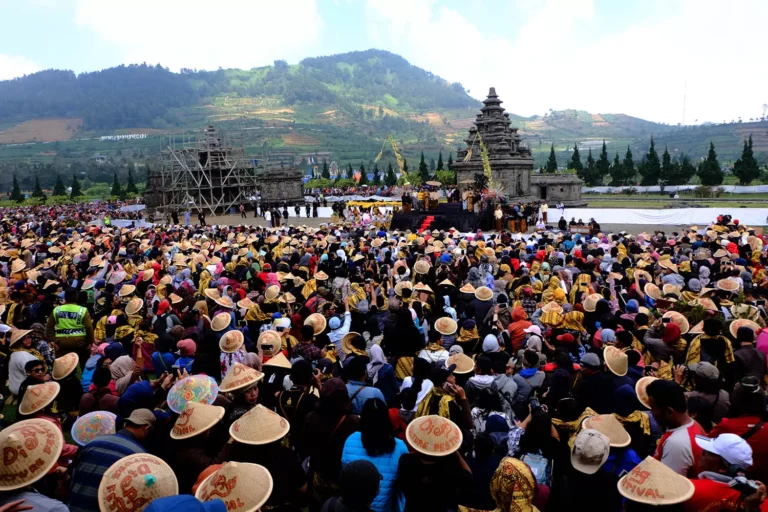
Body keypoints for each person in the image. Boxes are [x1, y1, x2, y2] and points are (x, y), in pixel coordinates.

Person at [69, 408, 157, 512]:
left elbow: (73, 473)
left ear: (125, 425)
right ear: (146, 428)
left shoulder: (92, 443)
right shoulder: (139, 456)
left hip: (73, 507)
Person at [341, 398, 408, 512]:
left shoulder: (351, 440)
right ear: (387, 420)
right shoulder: (400, 447)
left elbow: (345, 469)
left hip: (353, 507)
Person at [645, 379, 705, 477]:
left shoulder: (676, 444)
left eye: (653, 408)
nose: (651, 413)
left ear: (669, 411)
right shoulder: (693, 423)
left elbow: (666, 486)